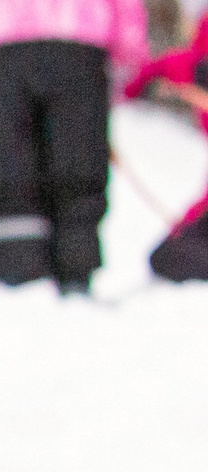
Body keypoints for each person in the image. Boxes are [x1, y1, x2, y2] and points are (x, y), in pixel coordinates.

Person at [0, 0, 150, 291]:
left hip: (9, 49)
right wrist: (129, 56)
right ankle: (75, 270)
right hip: (80, 48)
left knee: (14, 166)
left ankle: (20, 268)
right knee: (77, 165)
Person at [126, 9, 208, 281]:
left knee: (169, 257)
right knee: (168, 256)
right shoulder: (193, 68)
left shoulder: (195, 67)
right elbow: (156, 71)